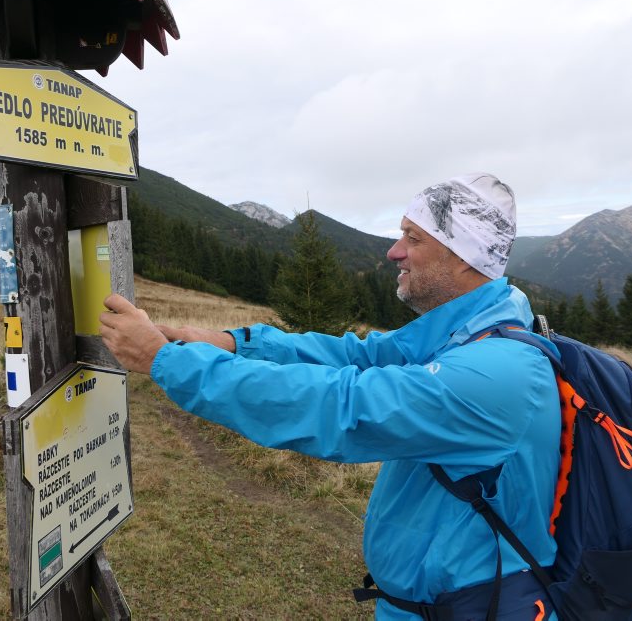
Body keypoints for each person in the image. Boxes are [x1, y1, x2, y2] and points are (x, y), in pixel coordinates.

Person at [100, 173, 560, 620]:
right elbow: (352, 356)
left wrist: (166, 360)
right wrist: (229, 342)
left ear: (464, 257)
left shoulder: (493, 373)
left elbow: (340, 406)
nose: (394, 251)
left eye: (413, 238)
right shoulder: (458, 337)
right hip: (438, 603)